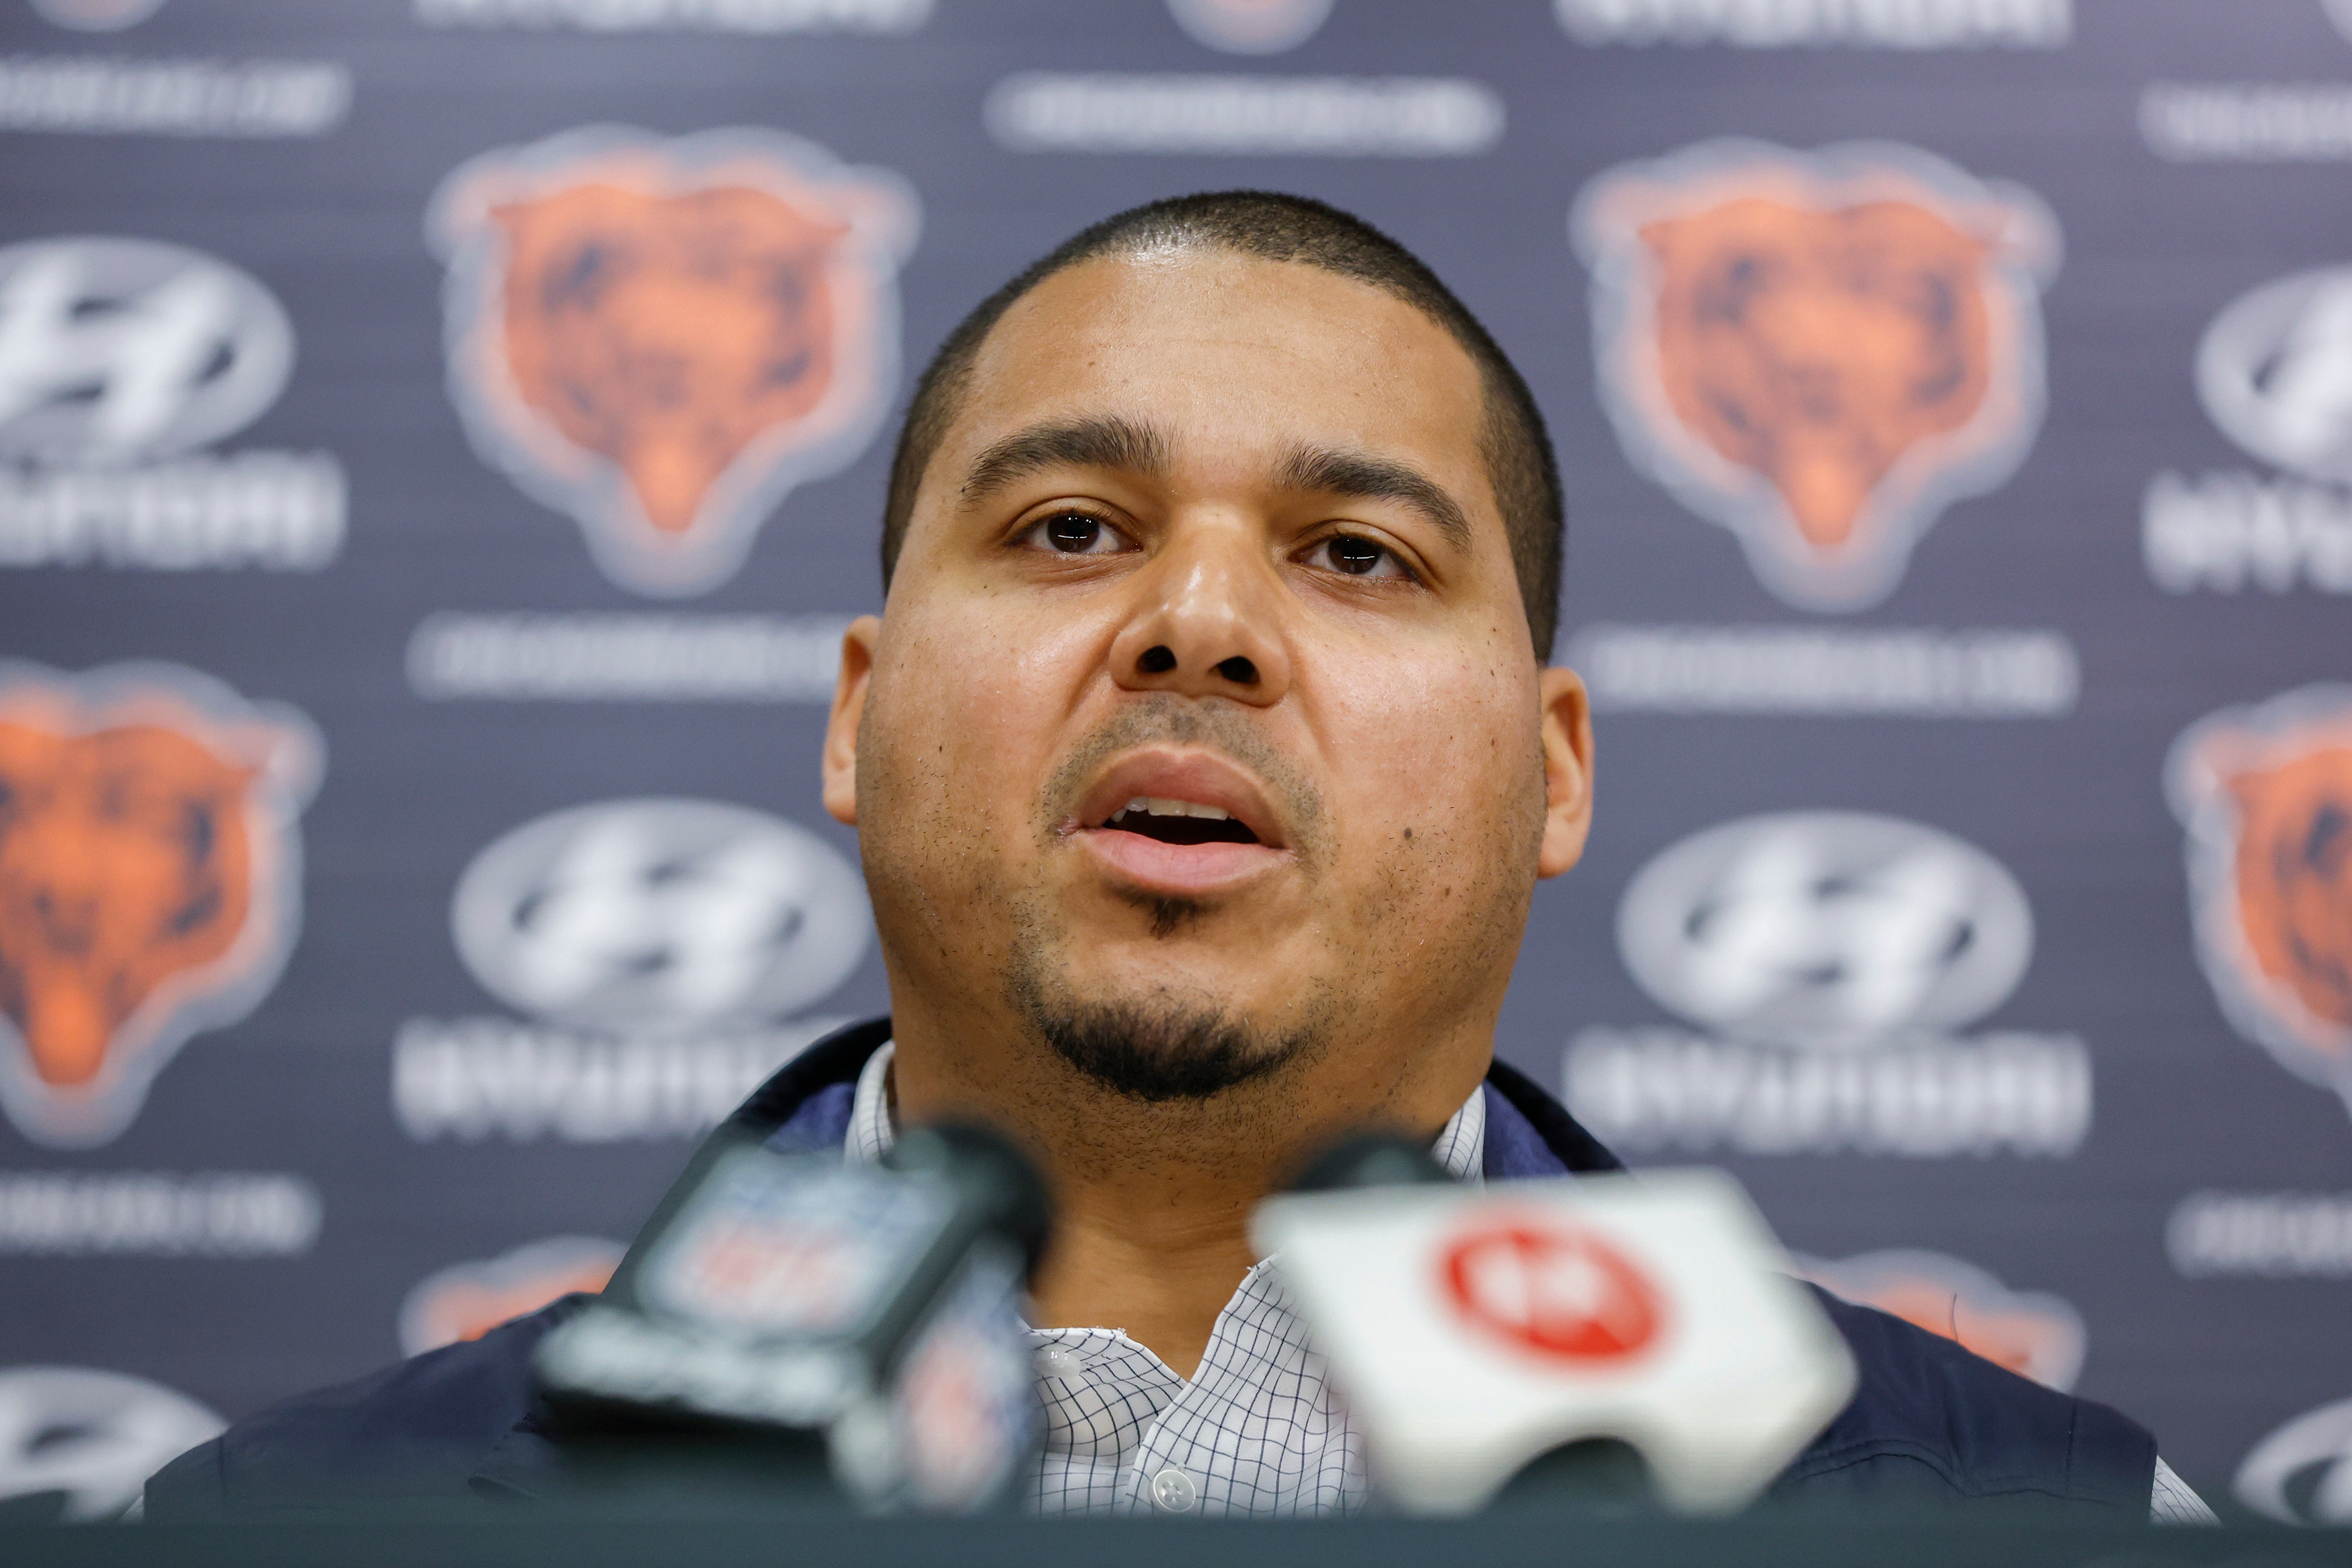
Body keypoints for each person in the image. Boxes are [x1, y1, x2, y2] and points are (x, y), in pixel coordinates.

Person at [145, 191, 2213, 1523]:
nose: (1199, 624)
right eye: (1067, 530)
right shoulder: (282, 1527)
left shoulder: (2048, 1525)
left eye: (1354, 555)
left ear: (1557, 770)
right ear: (858, 712)